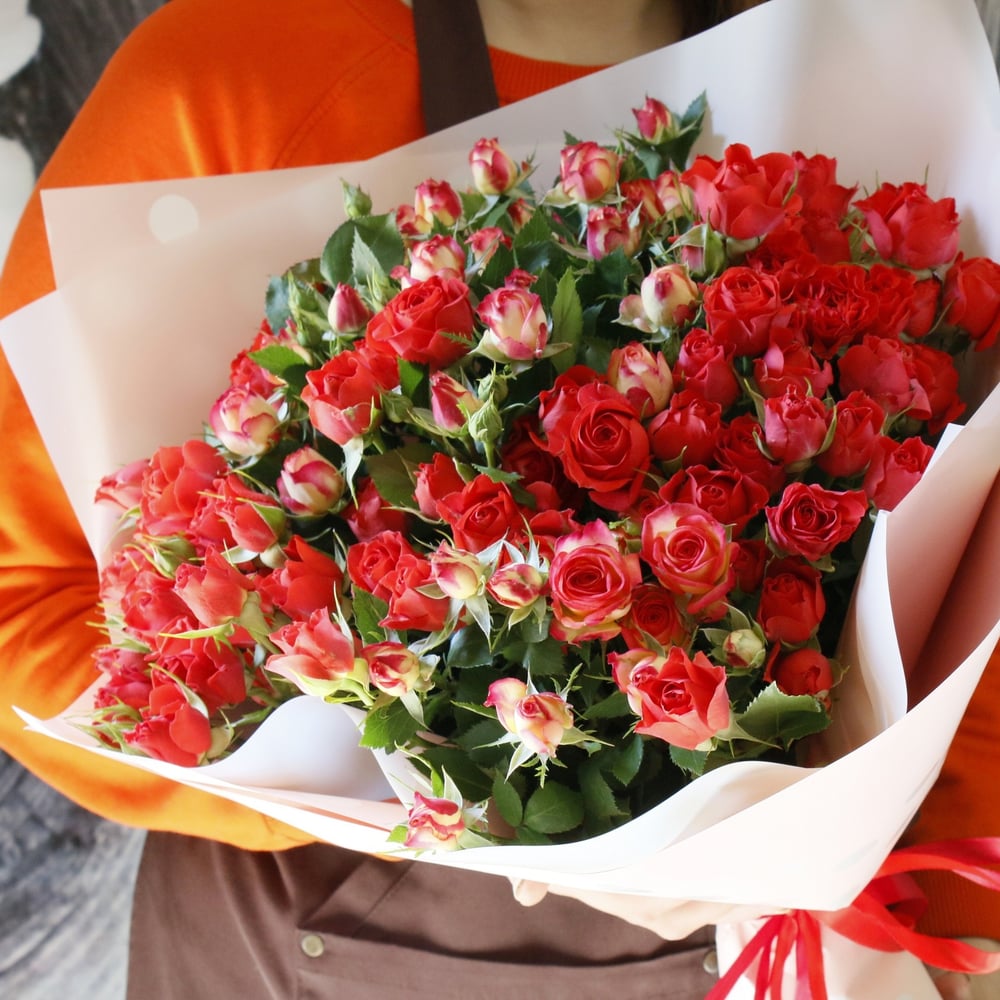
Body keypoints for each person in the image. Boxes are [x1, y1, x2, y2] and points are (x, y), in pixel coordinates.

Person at [0, 1, 997, 997]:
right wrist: (454, 812)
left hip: (794, 942)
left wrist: (914, 896)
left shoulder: (877, 66)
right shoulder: (239, 80)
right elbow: (21, 608)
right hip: (319, 948)